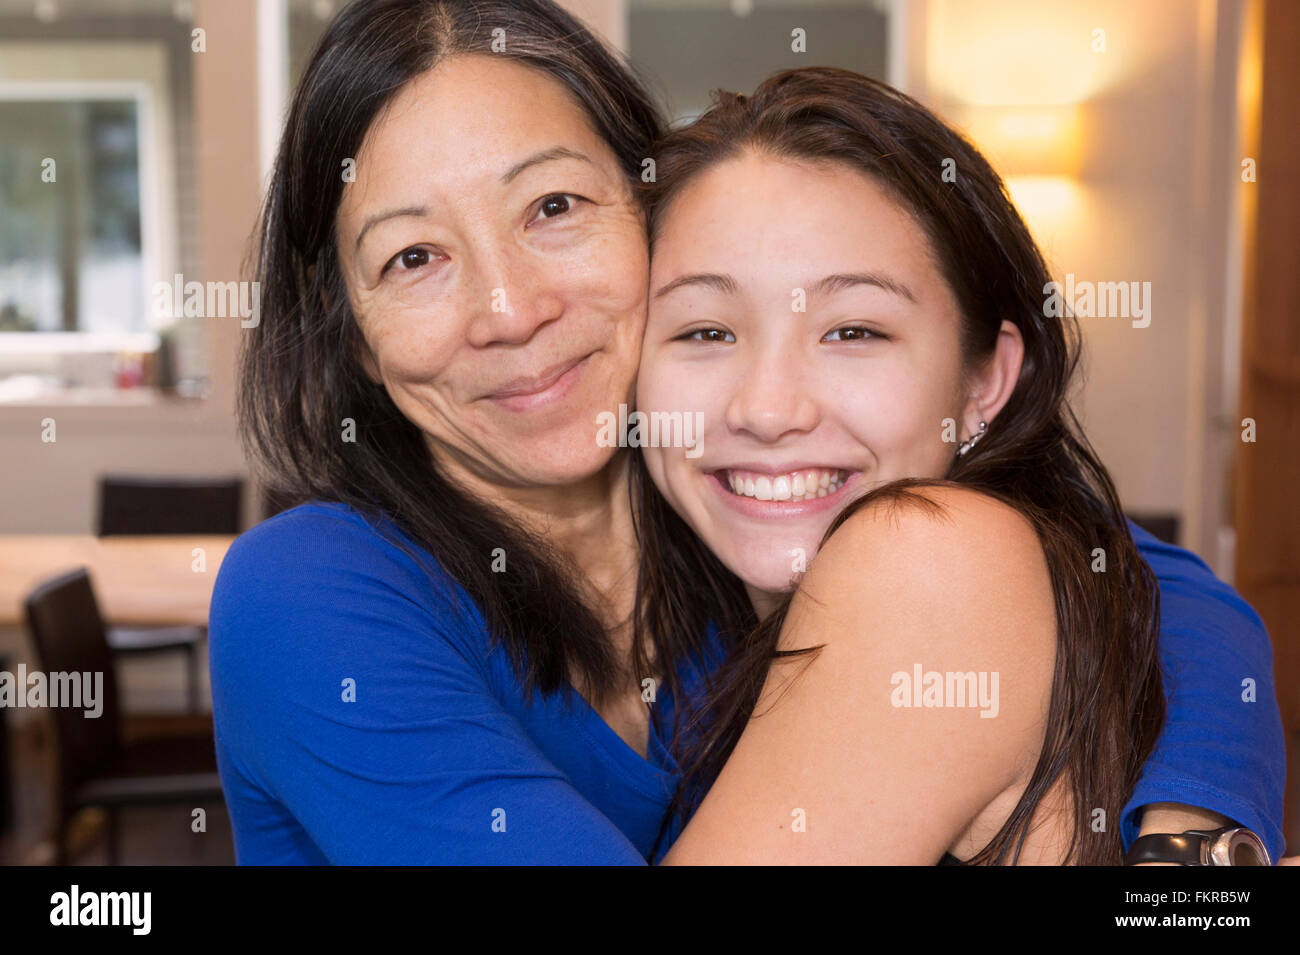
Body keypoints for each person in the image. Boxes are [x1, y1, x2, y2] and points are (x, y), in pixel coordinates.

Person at [208, 0, 1284, 864]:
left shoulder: (735, 520)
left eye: (552, 209)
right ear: (348, 338)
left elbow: (1153, 586)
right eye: (413, 259)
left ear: (655, 219)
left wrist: (1188, 842)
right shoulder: (310, 590)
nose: (509, 310)